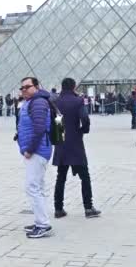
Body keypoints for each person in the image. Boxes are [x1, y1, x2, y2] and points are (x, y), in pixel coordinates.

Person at [53, 78, 101, 219]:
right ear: (74, 87)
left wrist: (59, 136)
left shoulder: (56, 101)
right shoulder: (78, 101)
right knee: (84, 177)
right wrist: (83, 130)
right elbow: (85, 118)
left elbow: (56, 121)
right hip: (75, 143)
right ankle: (88, 208)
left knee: (60, 177)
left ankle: (58, 209)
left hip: (61, 142)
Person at [17, 77, 53, 239]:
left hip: (37, 150)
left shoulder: (37, 102)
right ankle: (40, 220)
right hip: (37, 149)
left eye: (27, 87)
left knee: (32, 187)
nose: (24, 90)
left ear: (37, 87)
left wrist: (30, 150)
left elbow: (39, 129)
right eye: (22, 87)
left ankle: (43, 224)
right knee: (37, 186)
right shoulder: (33, 101)